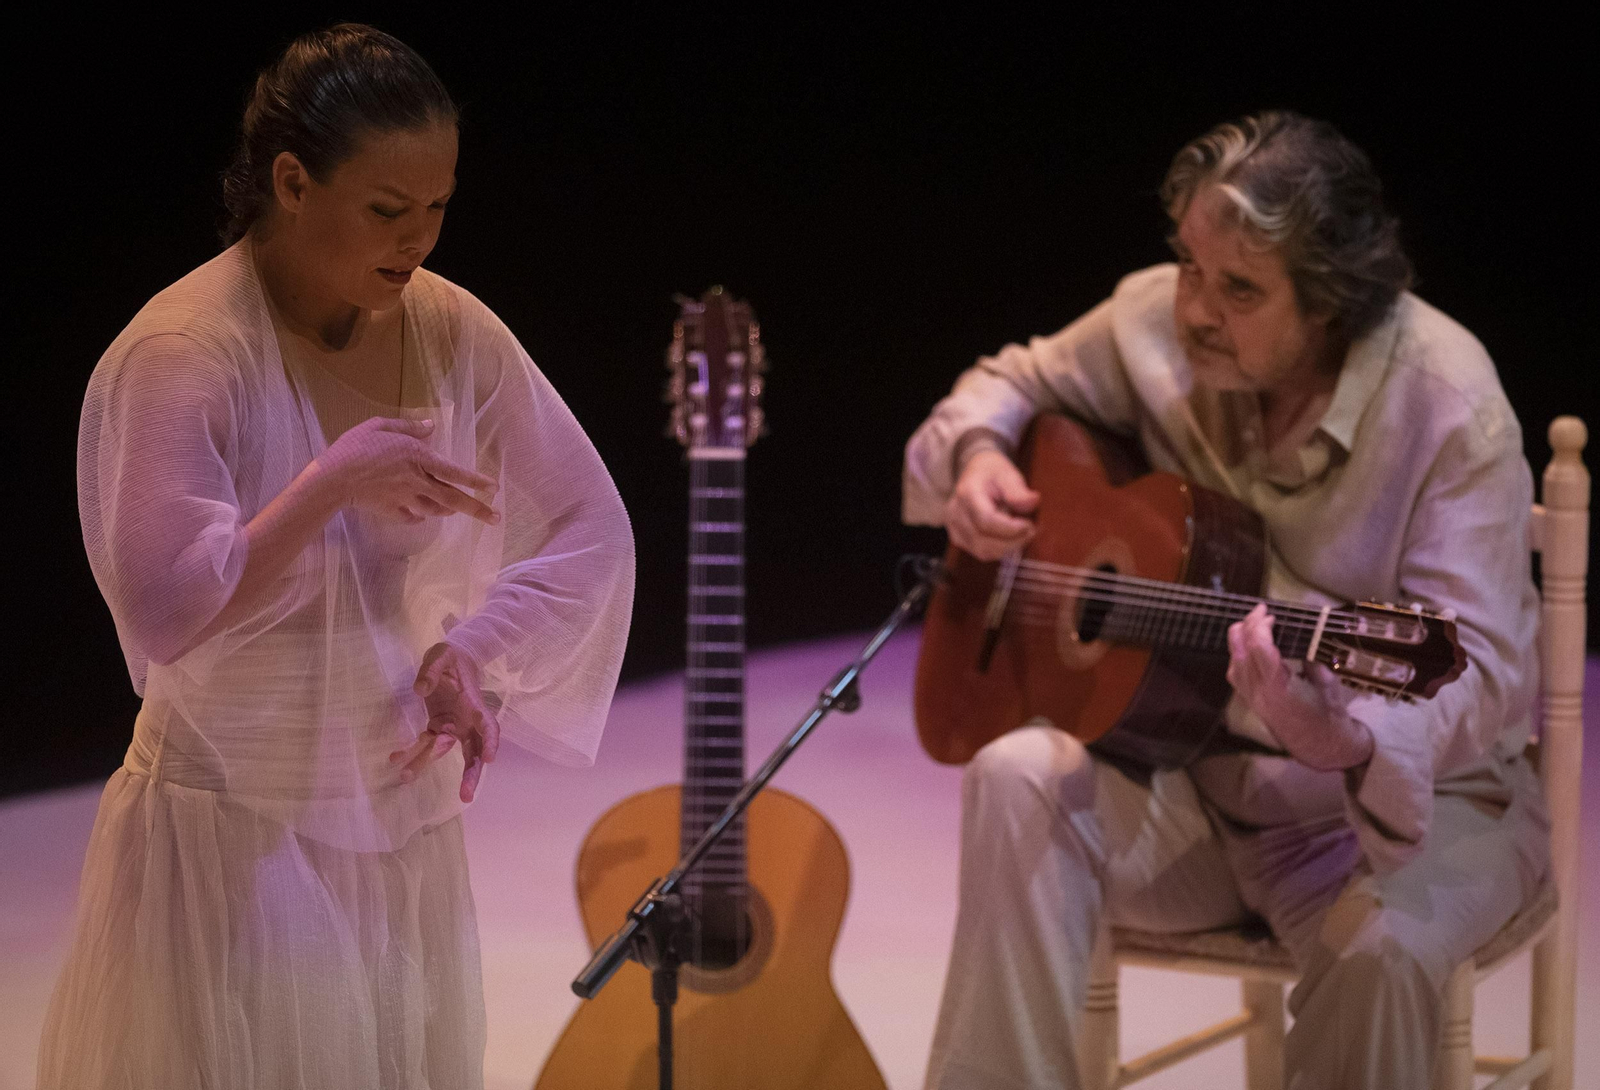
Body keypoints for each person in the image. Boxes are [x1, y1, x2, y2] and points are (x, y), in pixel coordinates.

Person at [38, 24, 635, 1090]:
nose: (419, 241)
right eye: (388, 210)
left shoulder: (447, 325)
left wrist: (469, 652)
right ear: (291, 182)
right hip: (234, 839)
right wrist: (328, 483)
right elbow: (165, 610)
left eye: (438, 206)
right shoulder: (182, 350)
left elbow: (589, 523)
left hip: (396, 827)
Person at [903, 111, 1549, 1089]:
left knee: (1378, 954)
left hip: (1412, 811)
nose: (1195, 310)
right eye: (1188, 266)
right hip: (1198, 792)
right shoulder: (1151, 323)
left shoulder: (1449, 404)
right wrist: (979, 456)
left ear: (1329, 300)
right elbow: (1001, 385)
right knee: (1015, 772)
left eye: (1239, 289)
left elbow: (1484, 672)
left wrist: (1354, 738)